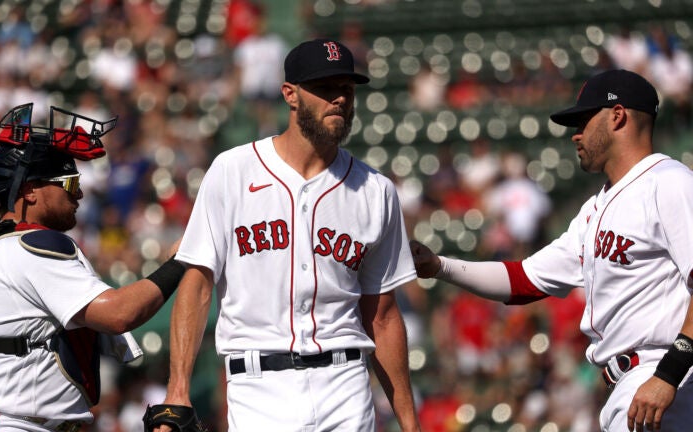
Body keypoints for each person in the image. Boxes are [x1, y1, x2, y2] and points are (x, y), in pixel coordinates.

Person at [149, 39, 421, 431]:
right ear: (290, 95)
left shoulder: (376, 191)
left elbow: (382, 315)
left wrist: (410, 423)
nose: (339, 99)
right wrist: (178, 390)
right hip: (258, 386)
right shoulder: (233, 171)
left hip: (344, 384)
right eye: (325, 89)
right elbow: (198, 283)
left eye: (346, 88)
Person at [410, 69, 693, 432]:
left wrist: (669, 374)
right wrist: (439, 266)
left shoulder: (669, 183)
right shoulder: (595, 208)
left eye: (582, 121)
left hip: (667, 377)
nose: (575, 134)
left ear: (617, 116)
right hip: (628, 386)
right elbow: (523, 280)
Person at [0, 103, 187, 432]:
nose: (78, 195)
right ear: (29, 192)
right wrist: (181, 261)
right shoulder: (32, 246)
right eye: (68, 184)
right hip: (12, 424)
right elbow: (119, 313)